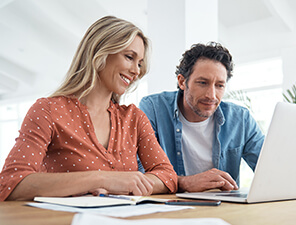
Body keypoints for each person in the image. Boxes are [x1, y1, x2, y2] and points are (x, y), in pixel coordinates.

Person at [0, 16, 177, 201]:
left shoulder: (134, 118)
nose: (136, 71)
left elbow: (167, 176)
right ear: (100, 52)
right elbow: (11, 182)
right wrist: (101, 179)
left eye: (139, 63)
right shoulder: (48, 110)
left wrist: (127, 184)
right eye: (129, 57)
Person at [139, 42, 264, 192]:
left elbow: (269, 168)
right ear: (182, 82)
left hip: (224, 209)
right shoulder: (153, 108)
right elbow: (140, 175)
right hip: (170, 208)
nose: (211, 95)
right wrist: (185, 183)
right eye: (203, 83)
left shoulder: (240, 118)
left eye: (219, 85)